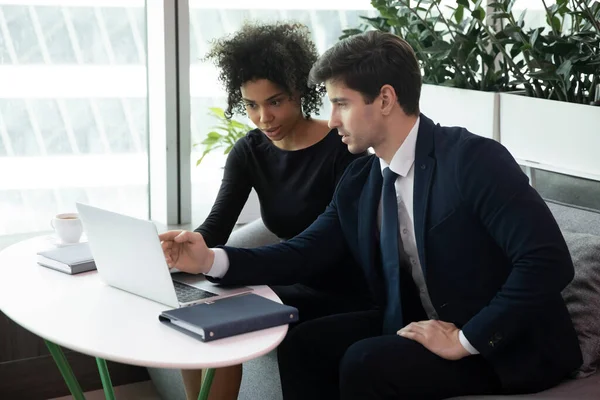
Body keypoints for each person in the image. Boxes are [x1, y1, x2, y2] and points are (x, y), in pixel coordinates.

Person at [161, 31, 582, 400]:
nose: (331, 119)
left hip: (508, 343)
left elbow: (546, 261)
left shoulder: (473, 159)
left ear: (384, 99)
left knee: (365, 362)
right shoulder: (363, 176)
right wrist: (210, 258)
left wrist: (466, 339)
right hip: (418, 318)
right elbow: (304, 252)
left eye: (341, 103)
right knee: (303, 343)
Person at [180, 22, 370, 400]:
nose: (263, 117)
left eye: (275, 101)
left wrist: (221, 263)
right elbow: (216, 227)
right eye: (251, 104)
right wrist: (182, 247)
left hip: (348, 292)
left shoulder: (344, 151)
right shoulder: (249, 152)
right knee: (195, 317)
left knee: (225, 314)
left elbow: (325, 249)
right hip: (291, 279)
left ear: (300, 89)